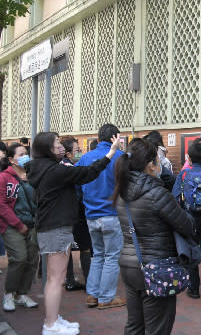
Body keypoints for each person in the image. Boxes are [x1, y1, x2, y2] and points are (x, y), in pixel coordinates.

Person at [26, 131, 121, 335]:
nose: (61, 147)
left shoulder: (40, 168)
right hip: (56, 227)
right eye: (57, 144)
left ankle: (53, 318)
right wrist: (111, 153)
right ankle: (50, 324)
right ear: (47, 149)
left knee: (55, 277)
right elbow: (88, 173)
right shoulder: (55, 171)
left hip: (51, 226)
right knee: (56, 278)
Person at [113, 138, 193, 335]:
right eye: (158, 161)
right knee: (157, 329)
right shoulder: (156, 193)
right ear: (150, 166)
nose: (160, 165)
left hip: (130, 265)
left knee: (135, 326)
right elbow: (187, 225)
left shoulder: (122, 191)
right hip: (156, 268)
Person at [76, 124, 126, 310]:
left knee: (98, 255)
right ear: (116, 138)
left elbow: (77, 185)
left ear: (98, 138)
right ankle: (106, 297)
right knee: (112, 257)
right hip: (112, 214)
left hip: (91, 214)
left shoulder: (85, 158)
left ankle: (93, 295)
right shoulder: (121, 158)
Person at [172, 141, 201, 303]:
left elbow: (175, 197)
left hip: (189, 217)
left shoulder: (184, 174)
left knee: (192, 250)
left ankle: (194, 288)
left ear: (189, 158)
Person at [0, 143, 39, 312]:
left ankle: (21, 294)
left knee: (32, 260)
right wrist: (17, 224)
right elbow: (1, 204)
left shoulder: (32, 176)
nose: (25, 157)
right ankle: (9, 294)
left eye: (26, 154)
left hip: (31, 224)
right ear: (11, 159)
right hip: (11, 225)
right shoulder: (4, 177)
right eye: (21, 154)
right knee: (19, 258)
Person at [59, 137, 92, 292]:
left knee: (68, 249)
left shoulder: (60, 166)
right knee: (85, 248)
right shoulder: (70, 168)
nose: (80, 152)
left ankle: (70, 280)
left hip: (64, 214)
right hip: (76, 214)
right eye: (77, 150)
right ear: (69, 154)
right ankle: (90, 283)